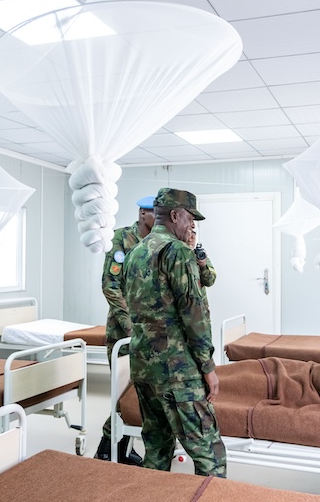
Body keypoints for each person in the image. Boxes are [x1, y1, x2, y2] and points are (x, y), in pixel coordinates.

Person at [122, 187, 226, 478]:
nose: (192, 225)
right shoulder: (177, 252)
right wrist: (207, 367)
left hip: (143, 368)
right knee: (209, 452)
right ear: (175, 215)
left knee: (156, 448)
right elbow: (194, 314)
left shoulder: (135, 252)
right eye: (190, 218)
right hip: (177, 371)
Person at [93, 195, 155, 465]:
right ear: (142, 213)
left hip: (150, 333)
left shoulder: (157, 242)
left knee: (139, 394)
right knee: (123, 394)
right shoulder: (121, 239)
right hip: (123, 334)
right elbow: (110, 286)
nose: (160, 219)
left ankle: (122, 448)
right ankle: (107, 449)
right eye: (155, 214)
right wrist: (131, 327)